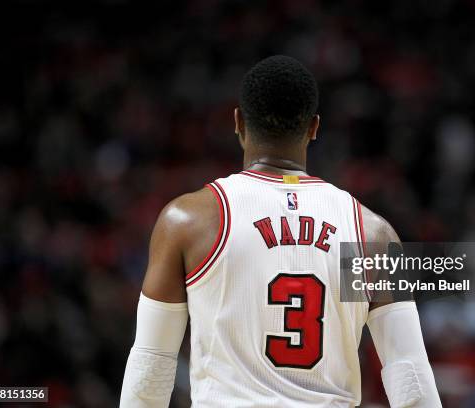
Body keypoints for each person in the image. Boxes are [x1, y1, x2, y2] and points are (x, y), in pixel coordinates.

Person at [120, 55, 441, 407]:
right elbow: (412, 382)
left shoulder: (188, 220)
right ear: (315, 128)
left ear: (238, 122)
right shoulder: (371, 234)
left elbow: (150, 370)